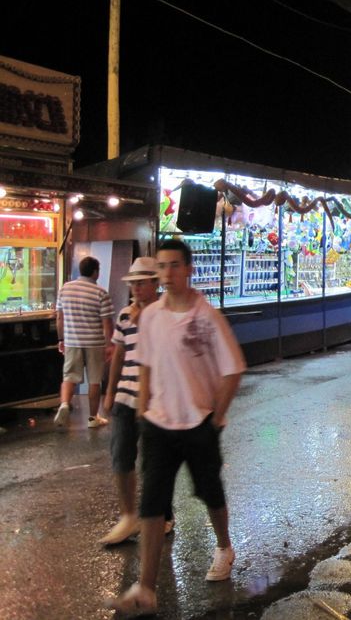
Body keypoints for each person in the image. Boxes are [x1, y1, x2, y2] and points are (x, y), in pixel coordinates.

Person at [106, 239, 246, 615]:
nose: (167, 274)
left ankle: (224, 546)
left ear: (188, 270)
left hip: (198, 423)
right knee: (152, 504)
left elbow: (234, 368)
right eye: (162, 267)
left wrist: (215, 417)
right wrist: (144, 408)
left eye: (173, 266)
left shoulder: (207, 317)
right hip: (158, 425)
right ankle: (146, 588)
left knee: (210, 493)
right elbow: (146, 363)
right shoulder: (149, 317)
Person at [99, 257, 175, 546]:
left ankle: (163, 514)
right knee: (121, 455)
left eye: (141, 284)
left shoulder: (166, 313)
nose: (135, 289)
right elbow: (118, 352)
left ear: (155, 284)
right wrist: (110, 389)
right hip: (125, 396)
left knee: (154, 461)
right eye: (133, 284)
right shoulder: (124, 315)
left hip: (156, 397)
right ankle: (129, 515)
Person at [54, 256, 115, 429]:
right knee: (94, 380)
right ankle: (92, 418)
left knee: (69, 377)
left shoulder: (65, 289)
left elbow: (59, 317)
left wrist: (61, 339)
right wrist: (109, 344)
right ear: (95, 272)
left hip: (72, 340)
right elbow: (106, 323)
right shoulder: (101, 293)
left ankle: (65, 404)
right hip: (95, 343)